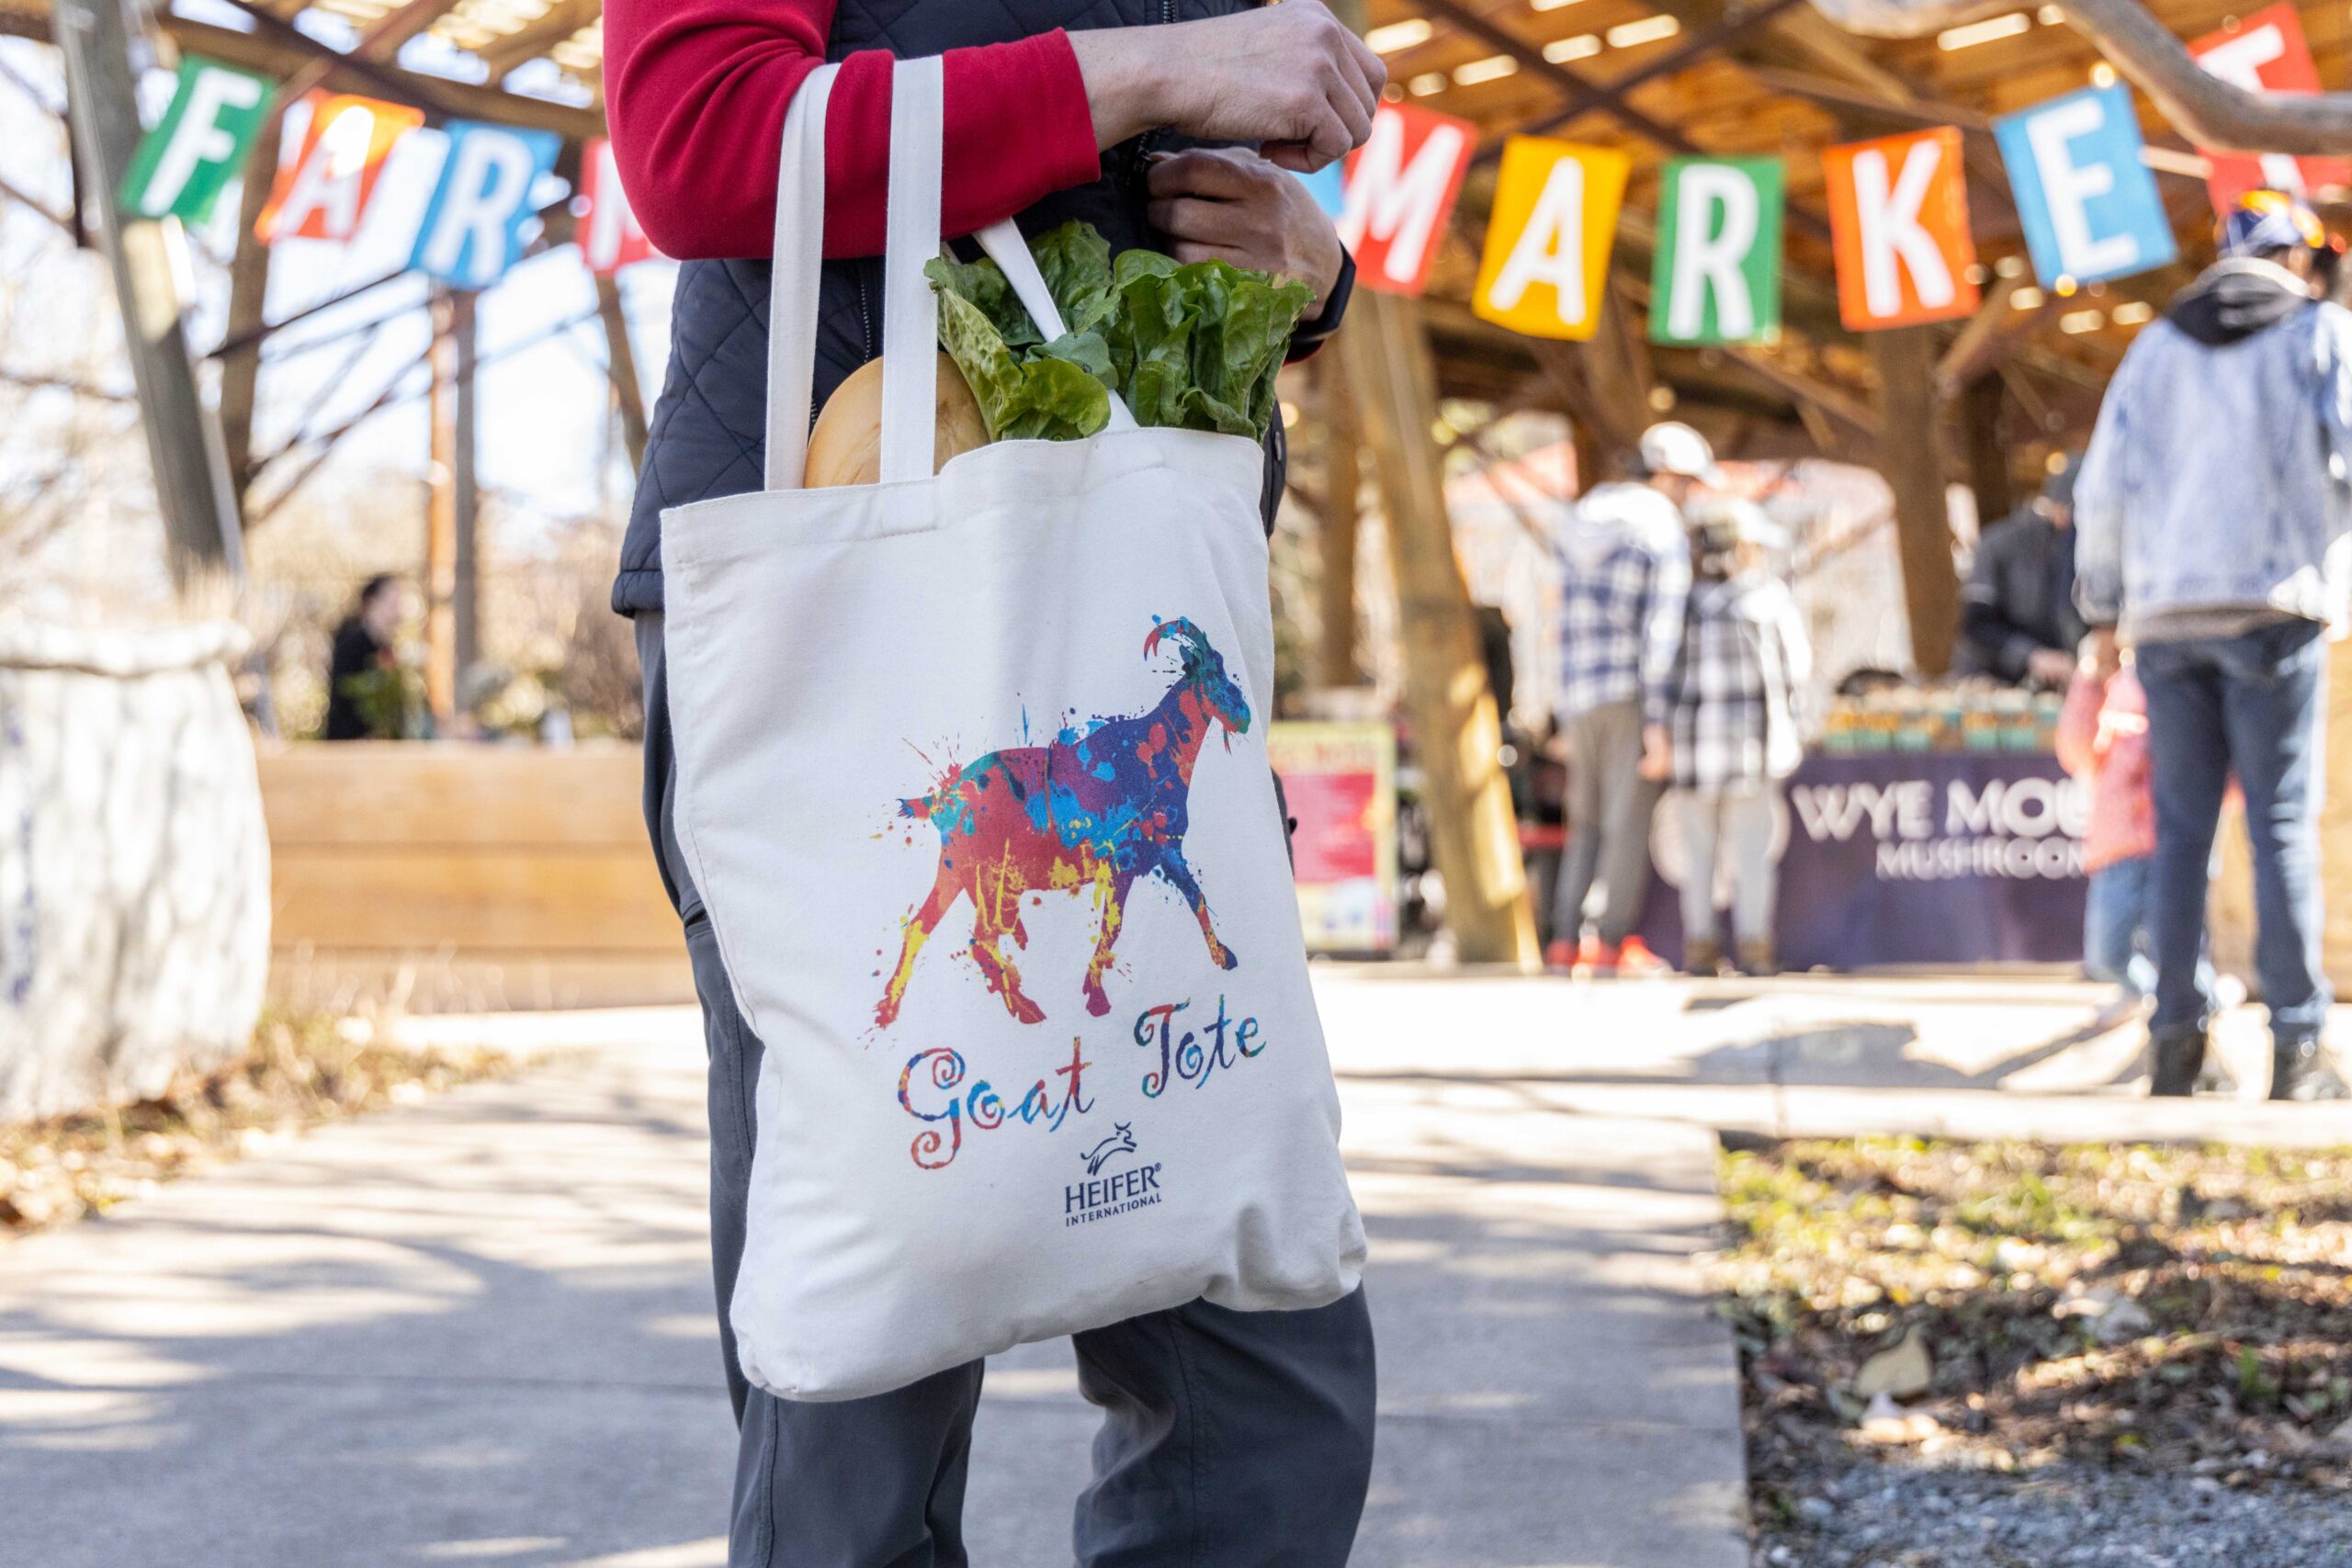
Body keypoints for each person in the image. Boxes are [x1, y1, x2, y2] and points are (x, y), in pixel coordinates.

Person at [602, 4, 1385, 1563]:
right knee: (865, 1373)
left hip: (1136, 577)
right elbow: (694, 139)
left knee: (1264, 1372)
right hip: (855, 596)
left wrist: (1309, 275)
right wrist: (1158, 72)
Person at [2075, 189, 2351, 1101]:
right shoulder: (2318, 334)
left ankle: (2175, 1045)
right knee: (2277, 828)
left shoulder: (2151, 348)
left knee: (2181, 832)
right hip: (2273, 609)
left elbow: (2102, 490)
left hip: (2165, 621)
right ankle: (2299, 1048)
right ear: (2300, 261)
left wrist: (2105, 615)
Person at [1544, 421, 1708, 975]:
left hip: (1578, 696)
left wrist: (1558, 707)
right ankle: (1613, 944)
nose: (1689, 497)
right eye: (1687, 484)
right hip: (1630, 694)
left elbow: (1555, 620)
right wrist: (1658, 722)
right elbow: (1661, 631)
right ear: (1665, 475)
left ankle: (1565, 942)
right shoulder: (1660, 527)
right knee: (1627, 822)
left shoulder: (1582, 517)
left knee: (1585, 822)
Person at [1659, 498, 1808, 977]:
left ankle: (1699, 951)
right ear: (1744, 548)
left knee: (1697, 857)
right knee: (1751, 858)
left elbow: (1663, 676)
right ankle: (1755, 952)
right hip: (1754, 752)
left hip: (1691, 753)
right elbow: (1797, 672)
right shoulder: (1769, 602)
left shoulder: (1681, 607)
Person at [2054, 650, 2157, 1026]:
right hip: (2117, 848)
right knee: (2106, 955)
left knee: (2182, 951)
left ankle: (2196, 1002)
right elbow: (2077, 749)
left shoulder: (2184, 677)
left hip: (2175, 848)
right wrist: (2090, 679)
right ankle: (2149, 991)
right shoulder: (2110, 681)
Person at [1960, 455, 2086, 688]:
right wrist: (2033, 656)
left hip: (2054, 688)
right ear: (2061, 507)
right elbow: (1976, 626)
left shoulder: (2077, 547)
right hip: (1989, 686)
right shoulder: (1998, 544)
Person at [321, 573, 404, 741]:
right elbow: (344, 692)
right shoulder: (351, 641)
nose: (397, 609)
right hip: (348, 742)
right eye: (392, 602)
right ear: (372, 602)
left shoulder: (384, 646)